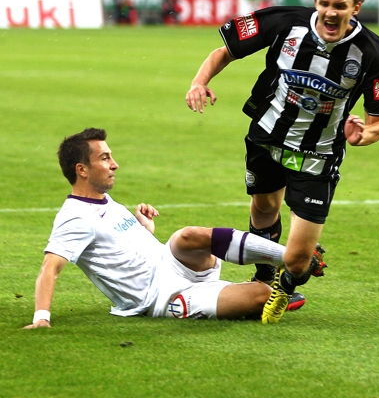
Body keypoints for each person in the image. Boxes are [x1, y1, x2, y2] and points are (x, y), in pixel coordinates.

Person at [185, 0, 379, 324]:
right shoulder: (285, 21)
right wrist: (199, 81)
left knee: (298, 259)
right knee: (262, 210)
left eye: (340, 6)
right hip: (267, 137)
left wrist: (362, 135)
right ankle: (263, 280)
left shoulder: (375, 55)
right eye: (324, 4)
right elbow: (225, 50)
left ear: (357, 7)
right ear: (315, 0)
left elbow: (377, 123)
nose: (330, 13)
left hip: (318, 155)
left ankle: (287, 284)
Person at [23, 128, 324, 329]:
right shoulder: (74, 216)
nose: (114, 164)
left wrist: (144, 229)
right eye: (105, 158)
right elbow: (50, 267)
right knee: (261, 296)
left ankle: (293, 257)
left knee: (186, 236)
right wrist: (41, 317)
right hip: (161, 295)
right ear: (82, 170)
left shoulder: (104, 201)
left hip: (171, 263)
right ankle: (281, 281)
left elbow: (117, 251)